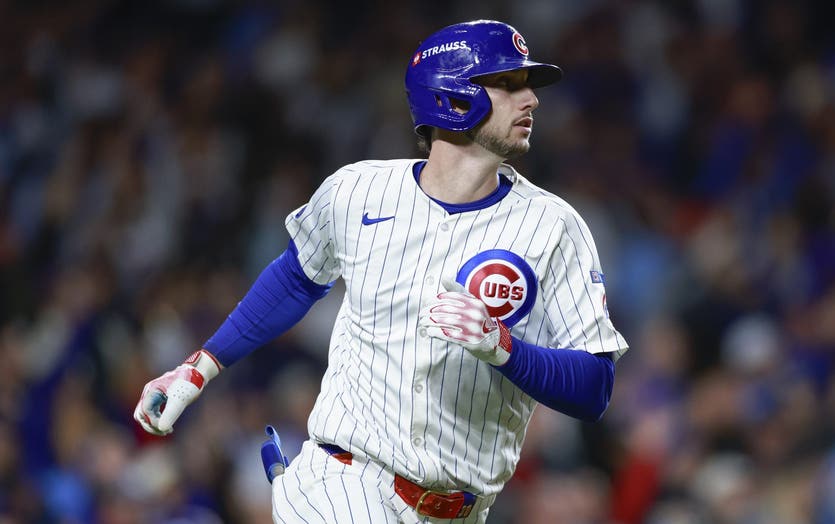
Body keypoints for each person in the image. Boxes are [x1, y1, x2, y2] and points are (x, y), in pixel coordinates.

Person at [134, 19, 628, 523]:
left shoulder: (554, 227)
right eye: (507, 84)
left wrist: (505, 349)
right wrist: (199, 366)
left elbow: (594, 390)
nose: (531, 100)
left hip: (460, 510)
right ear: (452, 97)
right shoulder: (358, 191)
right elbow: (296, 277)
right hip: (344, 480)